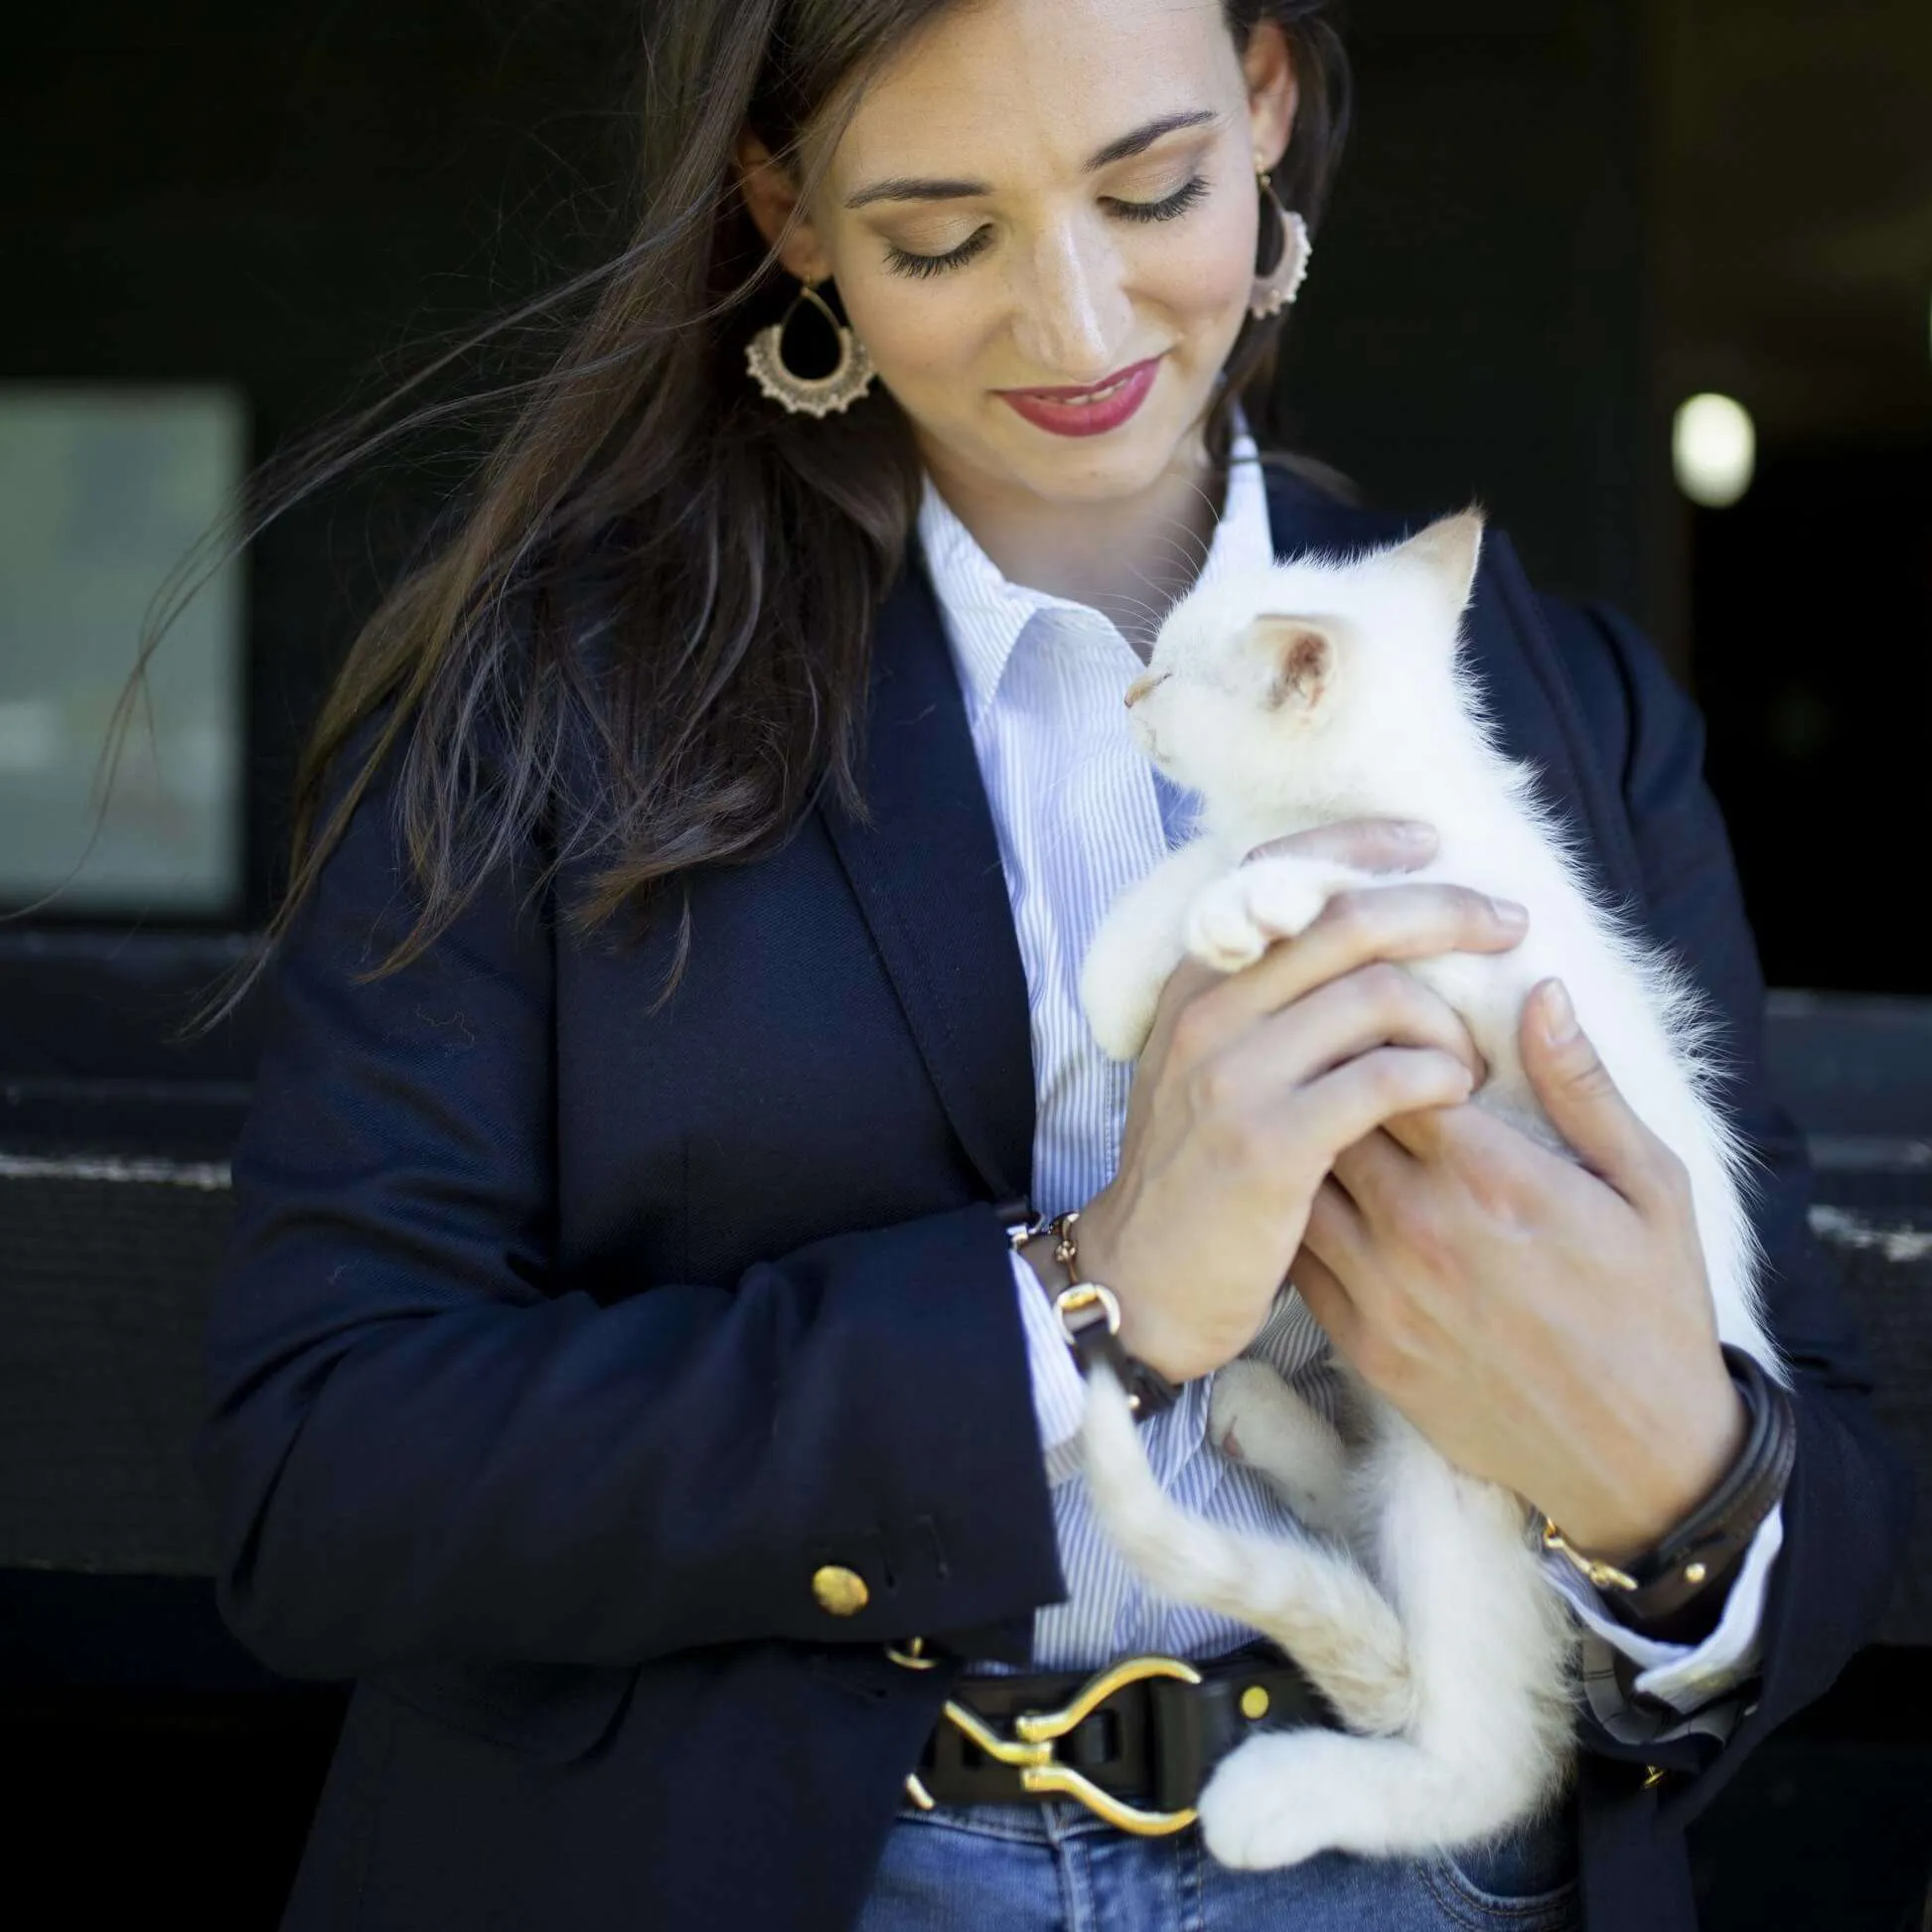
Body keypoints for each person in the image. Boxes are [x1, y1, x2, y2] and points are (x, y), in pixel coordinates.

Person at [191, 2, 1910, 1929]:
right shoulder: (544, 703)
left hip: (1425, 1862)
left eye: (1154, 187)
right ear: (791, 212)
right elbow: (322, 1485)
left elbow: (1826, 1498)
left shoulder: (1568, 699)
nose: (1080, 328)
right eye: (942, 233)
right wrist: (1083, 1296)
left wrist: (1670, 1481)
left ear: (1264, 105)